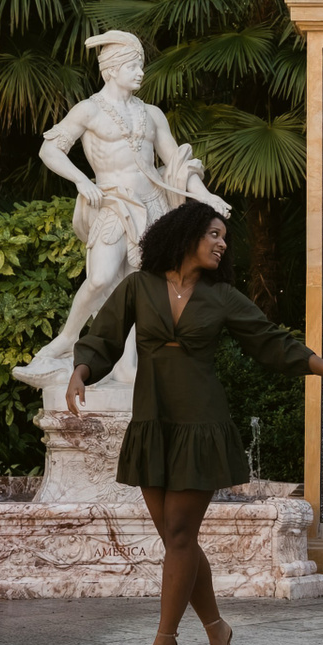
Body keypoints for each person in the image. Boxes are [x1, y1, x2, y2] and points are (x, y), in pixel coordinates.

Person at [67, 200, 323, 645]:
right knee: (178, 541)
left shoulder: (222, 296)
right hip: (152, 424)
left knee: (180, 535)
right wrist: (81, 371)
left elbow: (273, 342)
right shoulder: (139, 287)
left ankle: (164, 642)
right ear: (186, 235)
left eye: (224, 237)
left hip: (201, 426)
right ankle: (217, 629)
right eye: (214, 233)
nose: (222, 243)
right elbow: (103, 336)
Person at [16, 30, 231, 387]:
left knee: (141, 288)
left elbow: (176, 165)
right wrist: (81, 180)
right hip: (114, 205)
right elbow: (49, 150)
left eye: (140, 65)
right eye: (132, 66)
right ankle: (66, 341)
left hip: (154, 208)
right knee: (100, 278)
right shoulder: (88, 110)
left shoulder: (152, 114)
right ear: (112, 69)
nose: (140, 72)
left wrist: (206, 196)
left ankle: (127, 365)